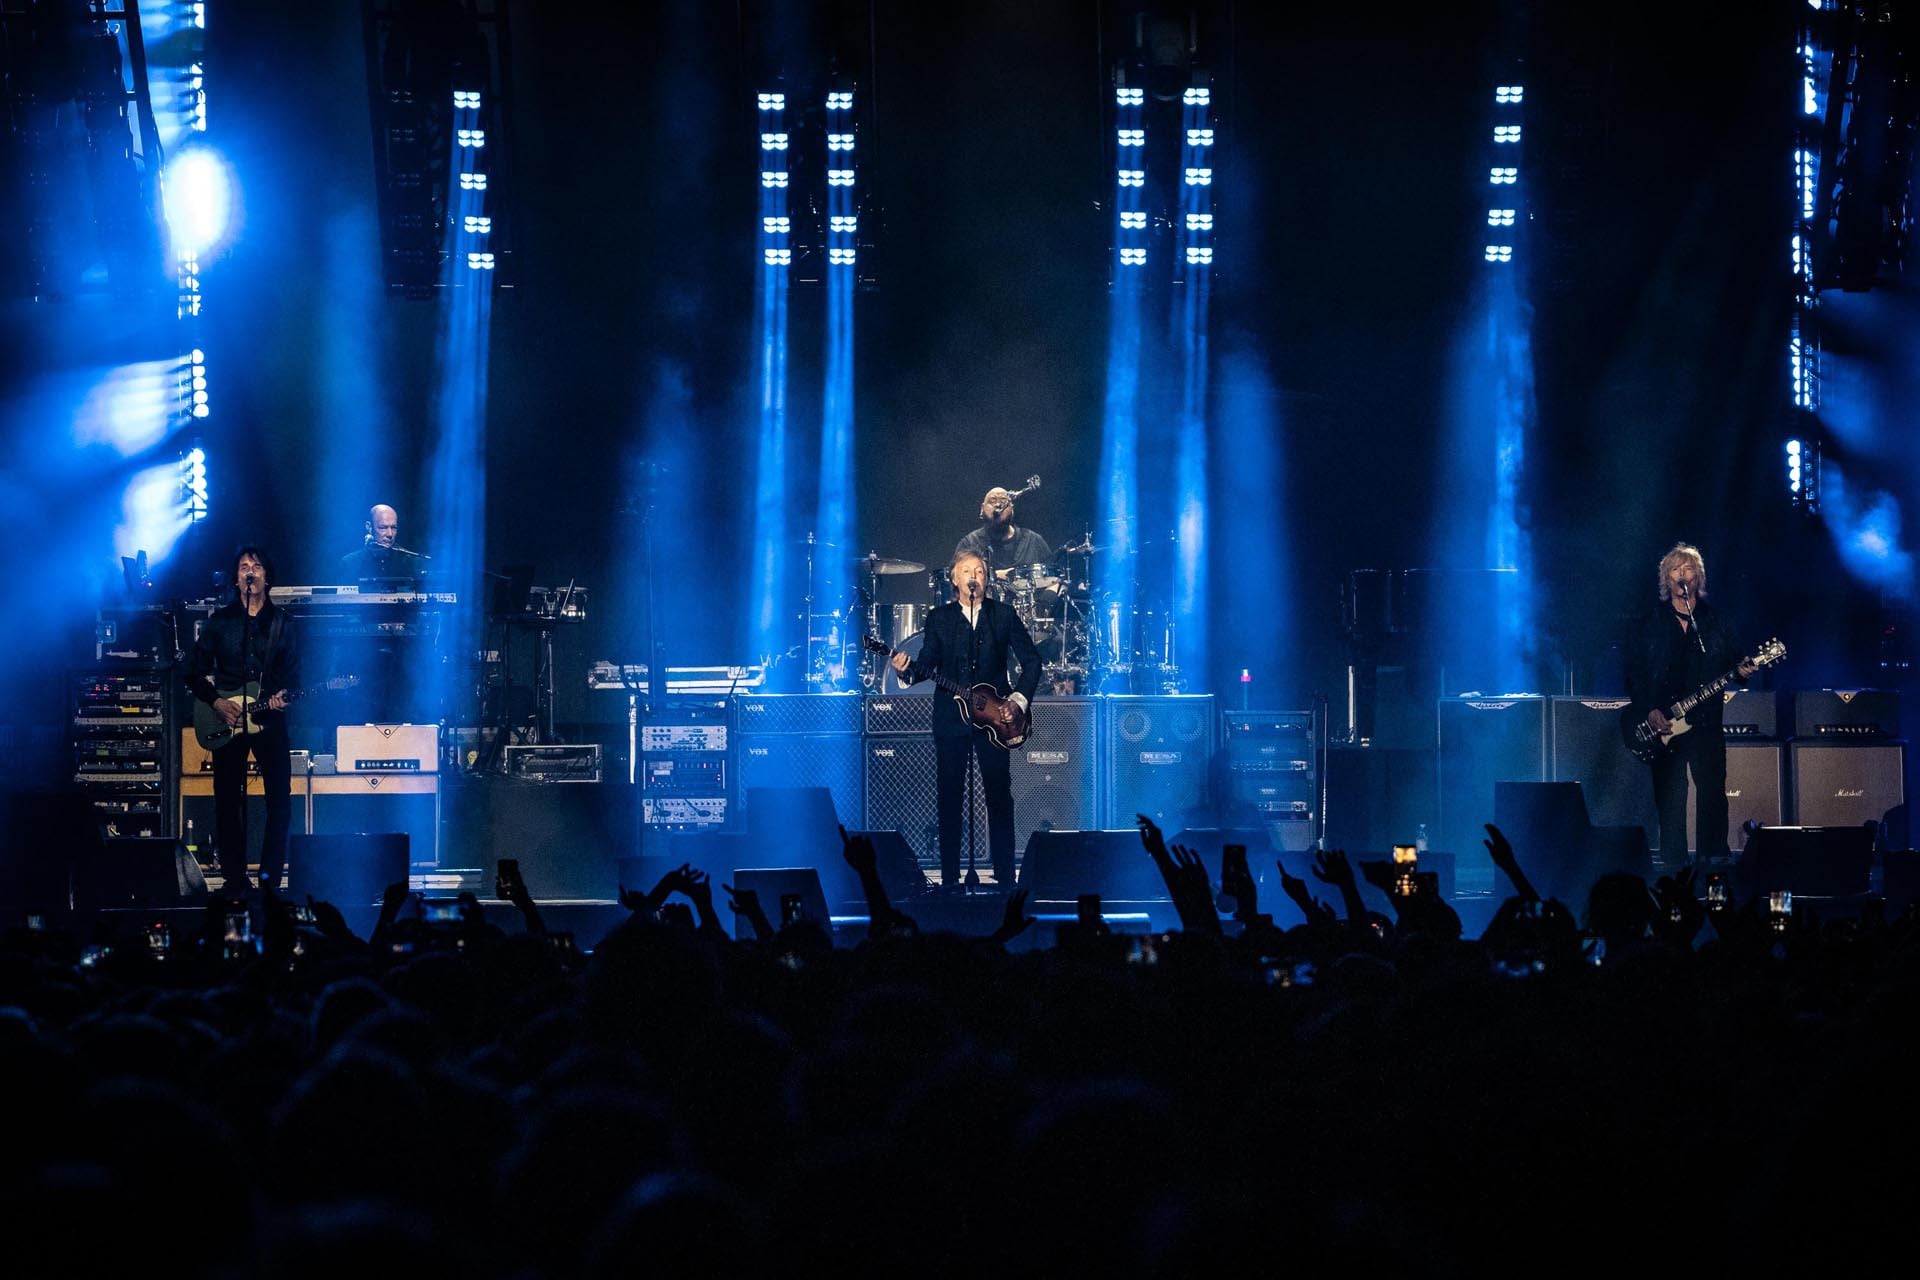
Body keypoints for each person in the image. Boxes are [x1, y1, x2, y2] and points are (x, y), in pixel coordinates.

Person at [890, 552, 1042, 889]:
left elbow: (1032, 661)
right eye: (966, 570)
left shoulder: (1002, 615)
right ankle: (949, 878)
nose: (973, 575)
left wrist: (1016, 701)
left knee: (999, 796)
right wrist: (905, 670)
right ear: (954, 580)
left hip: (996, 718)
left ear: (986, 579)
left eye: (979, 570)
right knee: (949, 796)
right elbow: (926, 664)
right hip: (950, 720)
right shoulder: (939, 618)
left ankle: (1005, 877)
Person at [1625, 543, 1755, 863]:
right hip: (1664, 721)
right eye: (1676, 570)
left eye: (1689, 569)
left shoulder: (1715, 621)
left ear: (1698, 577)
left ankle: (1712, 863)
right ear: (1666, 579)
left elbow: (1737, 665)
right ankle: (1674, 866)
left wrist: (1745, 670)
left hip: (1706, 722)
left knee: (1712, 794)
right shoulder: (1651, 622)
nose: (1683, 575)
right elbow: (1634, 673)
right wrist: (1649, 710)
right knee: (1671, 797)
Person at [186, 545, 300, 894]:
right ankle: (235, 878)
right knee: (226, 800)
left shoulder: (284, 624)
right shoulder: (221, 622)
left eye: (257, 566)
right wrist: (217, 702)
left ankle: (269, 879)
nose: (250, 571)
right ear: (237, 579)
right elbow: (192, 672)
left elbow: (295, 676)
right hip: (228, 721)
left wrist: (284, 697)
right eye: (244, 567)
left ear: (267, 577)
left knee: (279, 800)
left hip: (268, 720)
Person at [954, 487, 1052, 588]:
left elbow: (1056, 578)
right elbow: (957, 579)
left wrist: (1046, 599)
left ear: (1012, 508)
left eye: (1003, 501)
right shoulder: (969, 543)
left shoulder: (1034, 541)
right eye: (992, 501)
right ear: (982, 508)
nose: (998, 505)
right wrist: (996, 576)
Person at [340, 503, 423, 582]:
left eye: (393, 528)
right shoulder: (350, 563)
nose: (390, 534)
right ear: (369, 527)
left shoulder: (411, 563)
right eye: (383, 528)